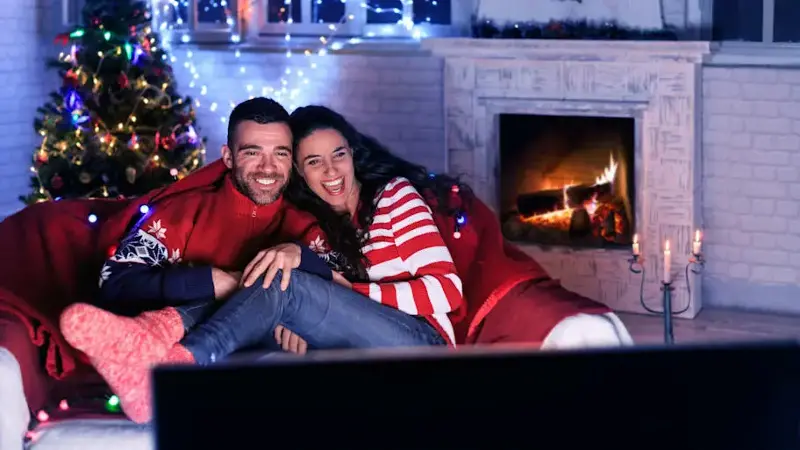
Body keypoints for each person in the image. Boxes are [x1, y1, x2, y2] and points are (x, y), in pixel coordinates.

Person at [60, 101, 465, 424]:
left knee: (281, 280)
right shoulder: (317, 219)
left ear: (352, 155)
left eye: (338, 154)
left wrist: (327, 285)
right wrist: (214, 283)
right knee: (268, 281)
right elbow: (116, 280)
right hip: (369, 352)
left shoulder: (391, 196)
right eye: (313, 162)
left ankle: (177, 366)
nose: (331, 170)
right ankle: (146, 335)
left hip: (425, 347)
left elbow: (446, 290)